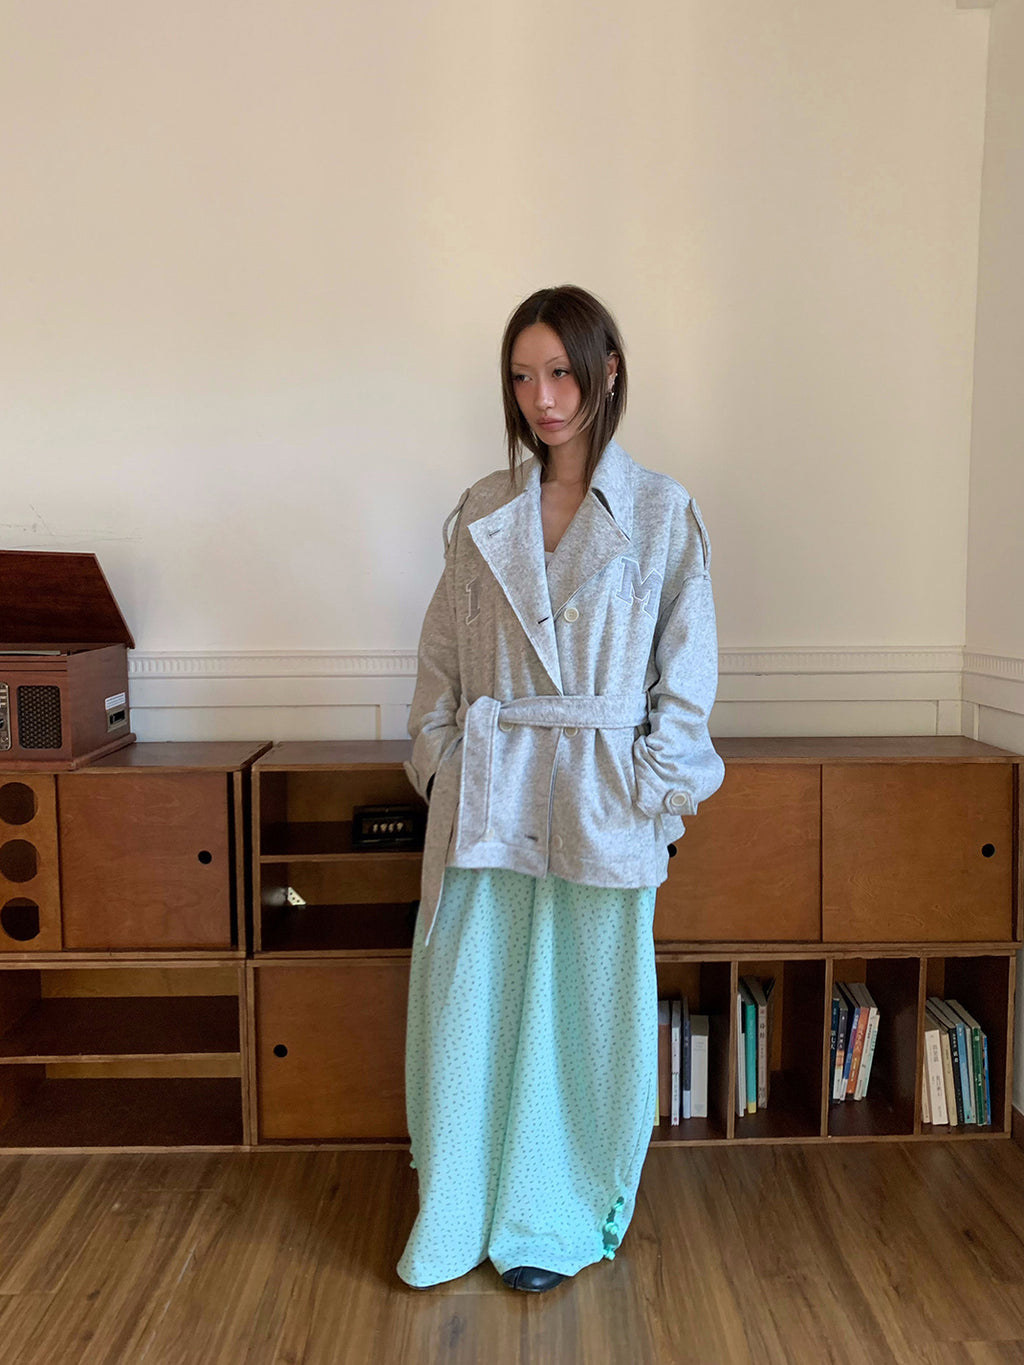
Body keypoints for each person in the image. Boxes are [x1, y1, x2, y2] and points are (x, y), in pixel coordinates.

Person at [397, 284, 725, 1293]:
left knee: (584, 1014)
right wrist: (443, 762)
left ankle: (555, 1214)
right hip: (489, 793)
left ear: (605, 372)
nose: (542, 398)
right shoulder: (481, 512)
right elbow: (440, 664)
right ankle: (458, 1207)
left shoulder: (660, 513)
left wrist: (650, 789)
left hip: (600, 800)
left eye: (560, 373)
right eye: (522, 376)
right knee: (471, 1004)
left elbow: (687, 676)